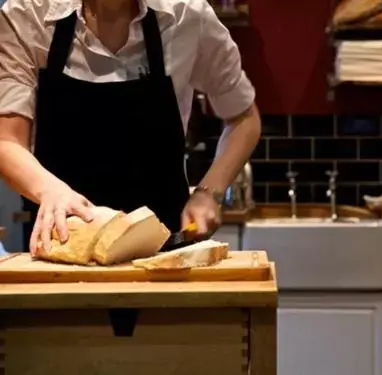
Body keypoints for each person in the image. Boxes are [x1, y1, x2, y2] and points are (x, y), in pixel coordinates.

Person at [0, 0, 261, 254]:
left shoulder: (188, 16)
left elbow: (244, 118)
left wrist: (209, 193)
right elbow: (7, 141)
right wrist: (50, 191)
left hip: (164, 256)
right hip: (60, 249)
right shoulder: (27, 15)